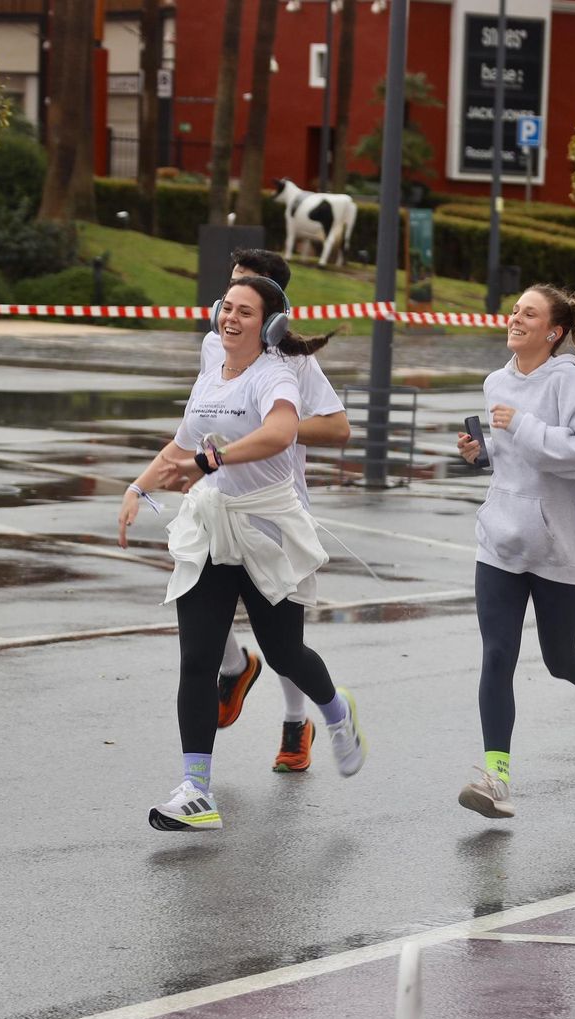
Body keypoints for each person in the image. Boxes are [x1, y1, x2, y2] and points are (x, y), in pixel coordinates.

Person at [119, 275, 365, 832]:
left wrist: (215, 461)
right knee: (197, 659)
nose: (231, 318)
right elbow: (183, 442)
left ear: (270, 325)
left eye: (245, 312)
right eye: (226, 308)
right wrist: (138, 487)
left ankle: (336, 711)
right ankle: (196, 789)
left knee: (284, 653)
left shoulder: (276, 375)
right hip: (210, 527)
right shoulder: (212, 371)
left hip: (265, 526)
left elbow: (281, 433)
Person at [454, 279, 575, 820]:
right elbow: (509, 456)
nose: (515, 319)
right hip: (500, 539)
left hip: (558, 544)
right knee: (497, 656)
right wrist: (479, 452)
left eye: (529, 314)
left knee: (560, 659)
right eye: (514, 310)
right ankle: (496, 778)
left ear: (554, 331)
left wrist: (524, 424)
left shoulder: (567, 383)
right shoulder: (497, 381)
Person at [206, 250, 350, 773]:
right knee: (194, 589)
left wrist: (274, 426)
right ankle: (235, 667)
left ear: (276, 308)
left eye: (247, 295)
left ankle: (296, 724)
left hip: (275, 510)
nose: (231, 308)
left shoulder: (295, 360)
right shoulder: (212, 346)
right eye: (230, 292)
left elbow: (338, 429)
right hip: (219, 501)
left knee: (283, 637)